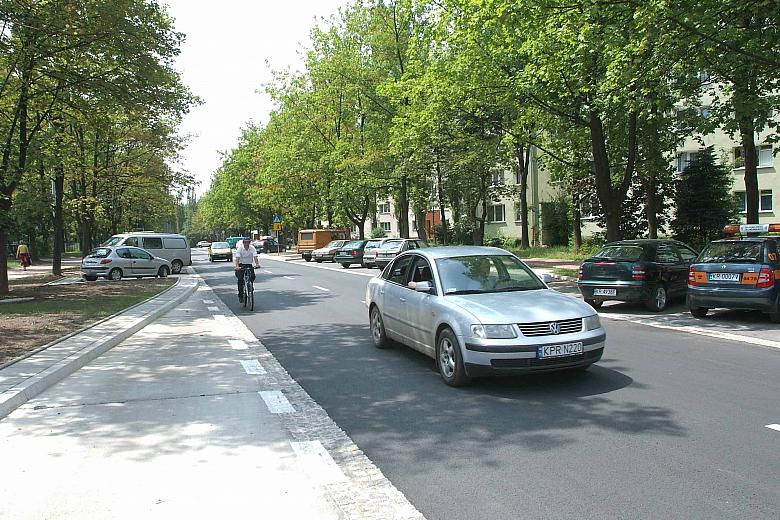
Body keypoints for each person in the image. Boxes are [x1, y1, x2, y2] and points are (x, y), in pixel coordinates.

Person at [234, 237, 260, 303]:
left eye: (248, 242)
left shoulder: (252, 248)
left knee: (252, 276)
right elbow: (237, 258)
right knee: (240, 280)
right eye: (245, 242)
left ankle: (250, 286)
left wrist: (257, 264)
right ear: (243, 243)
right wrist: (237, 266)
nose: (246, 244)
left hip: (249, 264)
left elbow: (255, 257)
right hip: (241, 265)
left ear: (249, 242)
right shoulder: (240, 249)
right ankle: (240, 296)